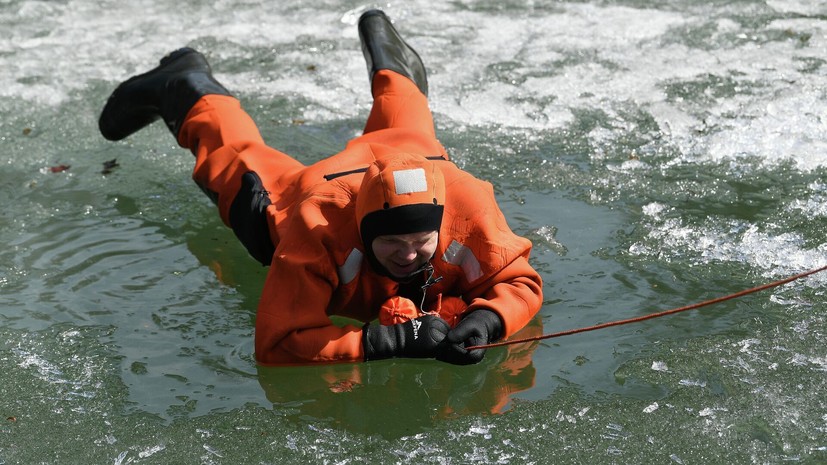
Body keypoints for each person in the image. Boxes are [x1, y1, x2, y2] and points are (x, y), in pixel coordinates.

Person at [98, 9, 543, 365]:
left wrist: (489, 318)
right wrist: (384, 342)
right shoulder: (317, 227)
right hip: (314, 189)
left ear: (441, 223)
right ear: (364, 230)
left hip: (414, 155)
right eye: (391, 242)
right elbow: (277, 342)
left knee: (410, 137)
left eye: (420, 241)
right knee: (236, 165)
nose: (408, 255)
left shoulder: (468, 205)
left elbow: (520, 283)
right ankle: (186, 82)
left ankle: (396, 68)